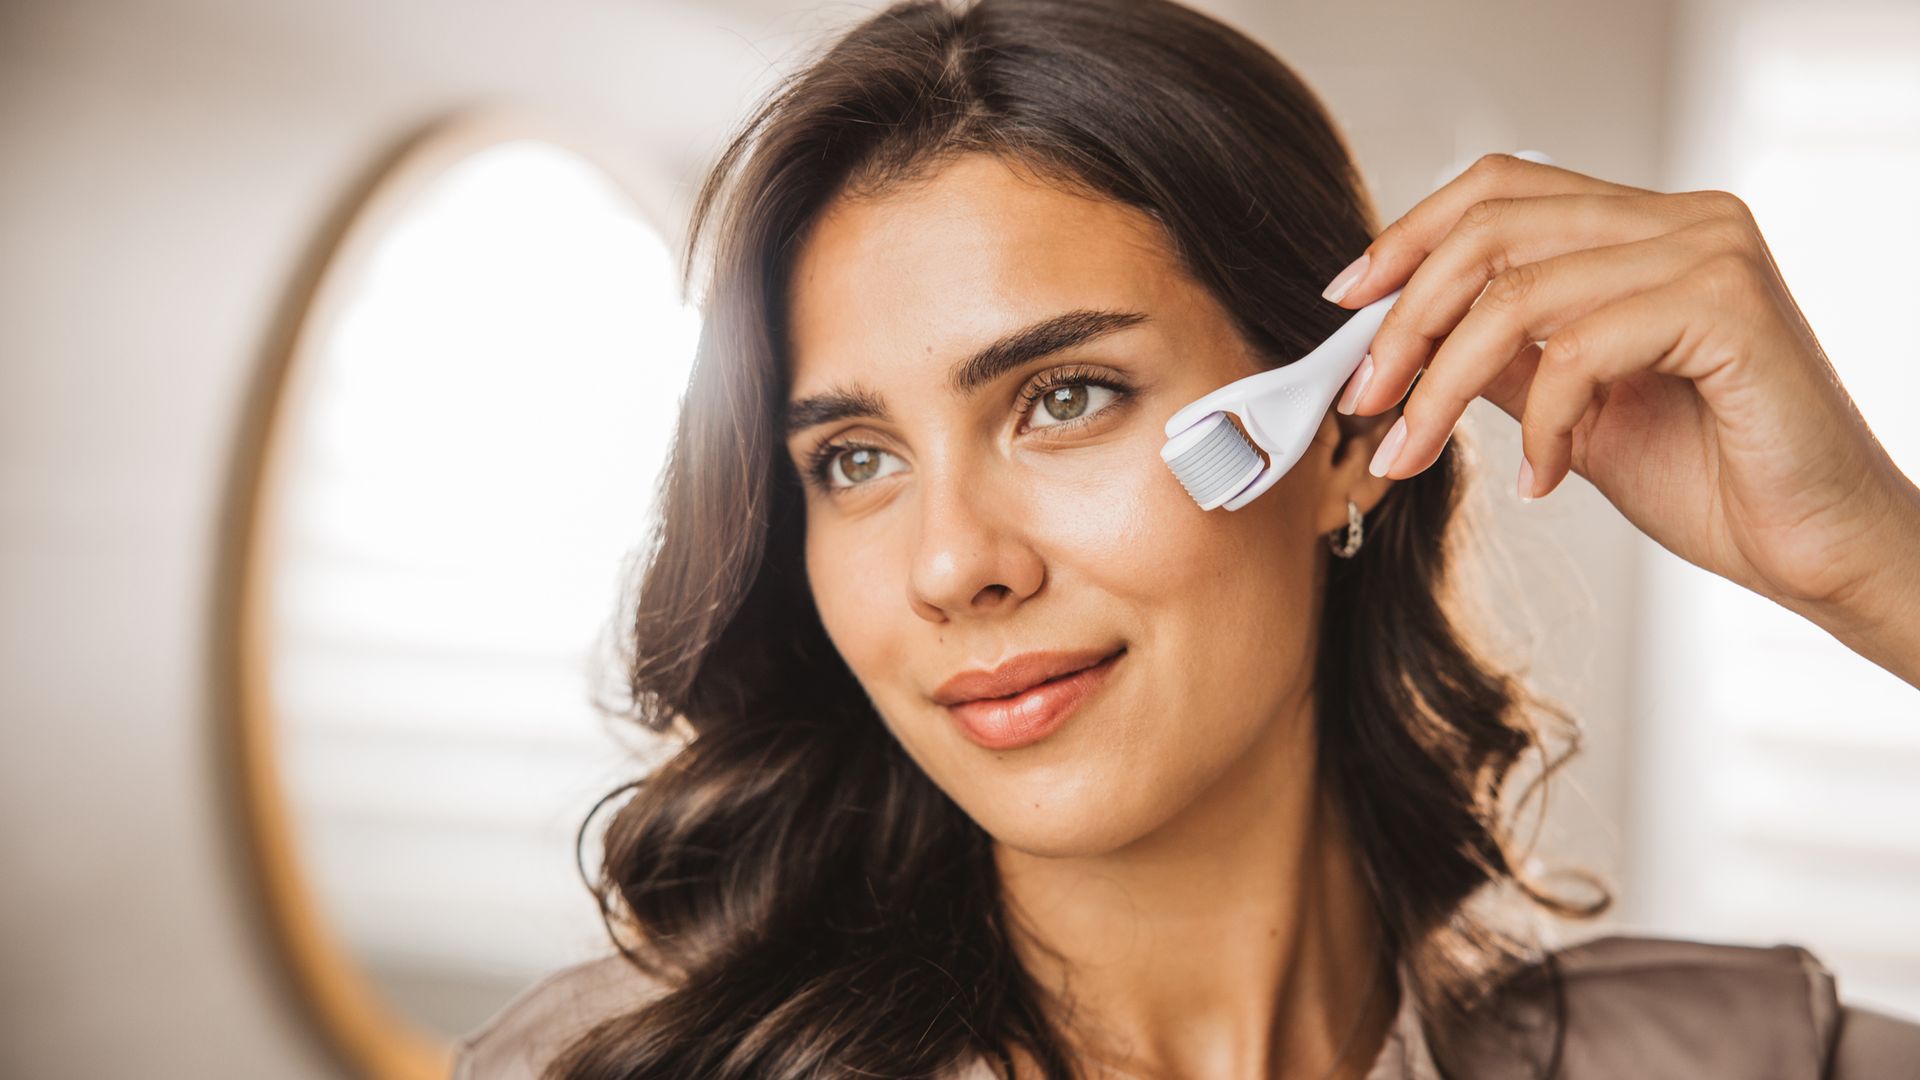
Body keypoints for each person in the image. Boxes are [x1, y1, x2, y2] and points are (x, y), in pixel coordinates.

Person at [454, 0, 1920, 1076]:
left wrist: (1876, 567)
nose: (952, 563)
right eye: (855, 460)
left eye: (1064, 398)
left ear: (1342, 436)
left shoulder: (1751, 1061)